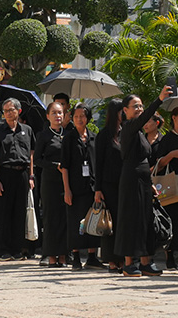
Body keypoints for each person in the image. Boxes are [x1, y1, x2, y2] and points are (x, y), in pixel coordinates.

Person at [114, 85, 172, 276]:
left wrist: (150, 184)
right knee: (131, 220)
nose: (139, 109)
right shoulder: (129, 127)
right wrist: (160, 99)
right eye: (135, 106)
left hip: (143, 180)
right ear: (125, 110)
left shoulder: (139, 133)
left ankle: (146, 262)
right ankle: (129, 263)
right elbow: (145, 118)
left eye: (141, 106)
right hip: (130, 179)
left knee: (146, 219)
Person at [0, 97, 36, 261]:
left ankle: (17, 248)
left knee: (20, 212)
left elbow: (31, 154)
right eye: (6, 111)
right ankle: (3, 249)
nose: (8, 113)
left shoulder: (27, 130)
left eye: (11, 110)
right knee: (4, 212)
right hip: (5, 173)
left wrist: (31, 175)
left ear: (19, 111)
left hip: (22, 173)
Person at [61, 104, 102, 269]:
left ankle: (92, 256)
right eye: (76, 116)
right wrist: (67, 189)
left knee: (93, 219)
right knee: (76, 221)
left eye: (83, 116)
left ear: (88, 118)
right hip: (75, 187)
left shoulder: (94, 137)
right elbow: (64, 166)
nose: (79, 119)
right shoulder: (69, 138)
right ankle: (76, 256)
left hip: (91, 186)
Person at [154, 105, 178, 270]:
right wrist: (171, 155)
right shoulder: (167, 139)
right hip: (171, 185)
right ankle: (169, 257)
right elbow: (158, 165)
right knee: (173, 218)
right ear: (174, 118)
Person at [36, 100, 69, 267]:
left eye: (60, 113)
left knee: (64, 218)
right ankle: (51, 256)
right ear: (48, 116)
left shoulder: (68, 134)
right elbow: (37, 160)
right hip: (50, 181)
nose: (58, 116)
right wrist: (53, 165)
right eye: (54, 113)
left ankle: (63, 255)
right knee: (51, 218)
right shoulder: (44, 135)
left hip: (65, 182)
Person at [93, 100, 124, 271]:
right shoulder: (104, 135)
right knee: (109, 223)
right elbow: (99, 163)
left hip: (124, 184)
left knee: (121, 222)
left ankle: (122, 258)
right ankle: (111, 260)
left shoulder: (126, 132)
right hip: (108, 185)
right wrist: (97, 188)